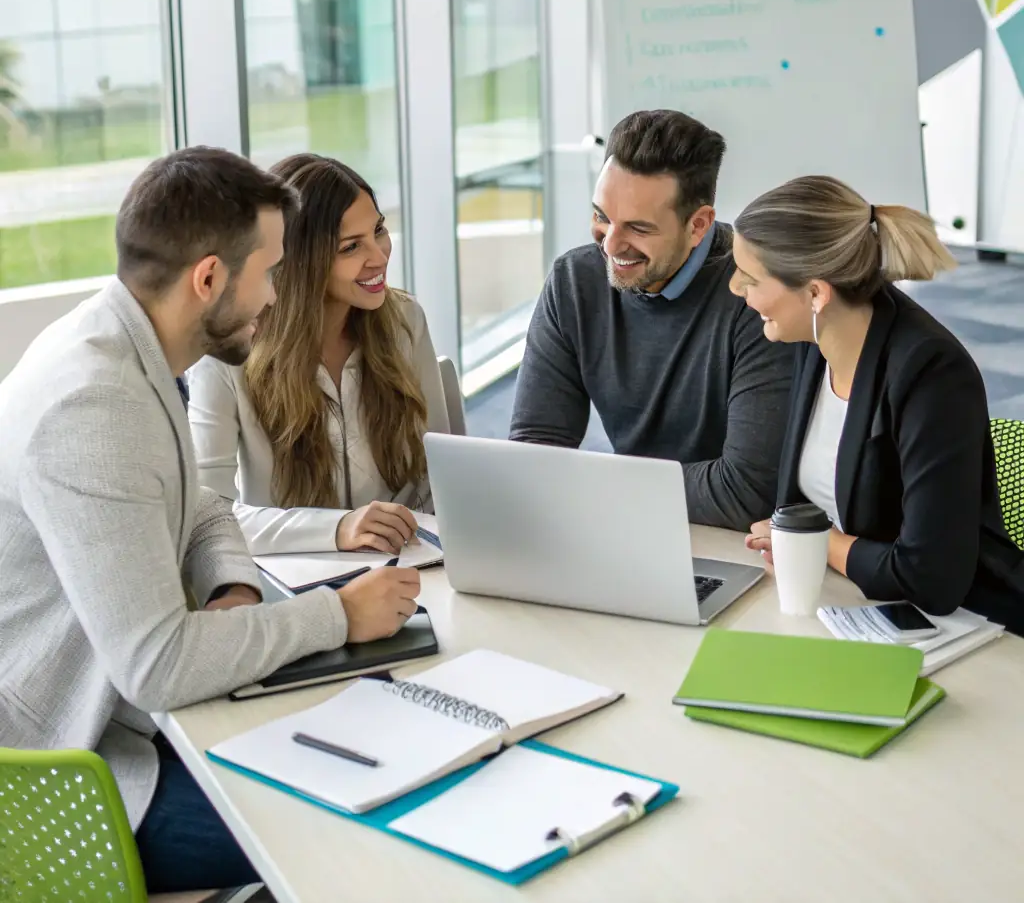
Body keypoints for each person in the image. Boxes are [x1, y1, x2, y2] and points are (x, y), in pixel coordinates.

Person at [0, 148, 420, 893]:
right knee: (359, 820)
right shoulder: (91, 407)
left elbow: (202, 504)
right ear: (209, 279)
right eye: (268, 273)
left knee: (363, 749)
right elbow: (157, 663)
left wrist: (234, 586)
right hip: (68, 770)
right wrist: (337, 616)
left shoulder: (128, 343)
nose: (275, 295)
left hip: (126, 720)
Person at [731, 175, 1024, 633]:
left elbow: (930, 577)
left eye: (750, 278)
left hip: (959, 625)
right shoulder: (815, 341)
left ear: (815, 293)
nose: (734, 288)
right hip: (847, 603)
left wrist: (814, 542)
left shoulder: (931, 373)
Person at [510, 109, 794, 530]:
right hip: (636, 525)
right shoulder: (575, 281)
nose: (610, 245)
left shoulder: (757, 295)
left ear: (697, 225)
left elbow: (745, 492)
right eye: (602, 216)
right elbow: (535, 457)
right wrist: (621, 490)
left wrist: (592, 484)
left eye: (637, 228)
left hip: (747, 547)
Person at [188, 153, 449, 556]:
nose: (379, 256)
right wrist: (337, 529)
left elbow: (444, 473)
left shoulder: (405, 320)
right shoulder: (226, 352)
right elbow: (206, 516)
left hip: (409, 566)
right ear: (298, 260)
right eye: (351, 247)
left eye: (378, 229)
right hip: (295, 584)